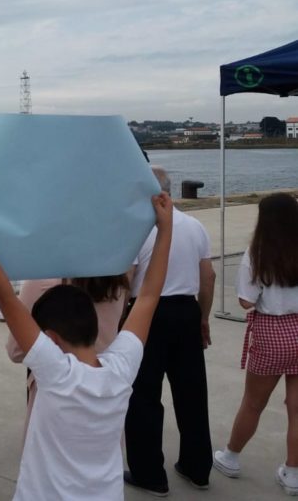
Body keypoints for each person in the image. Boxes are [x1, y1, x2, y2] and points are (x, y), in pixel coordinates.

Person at [0, 188, 173, 499]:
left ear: (51, 339)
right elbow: (150, 295)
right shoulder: (122, 367)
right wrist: (166, 228)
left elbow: (4, 295)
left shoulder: (55, 373)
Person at [124, 166, 216, 494]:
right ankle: (197, 468)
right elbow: (208, 277)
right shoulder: (195, 226)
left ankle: (150, 474)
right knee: (192, 393)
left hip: (149, 313)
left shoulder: (138, 229)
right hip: (187, 311)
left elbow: (126, 280)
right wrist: (202, 317)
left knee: (144, 396)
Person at [213, 193, 298, 494]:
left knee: (253, 402)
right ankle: (293, 473)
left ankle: (231, 457)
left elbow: (246, 301)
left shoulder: (258, 252)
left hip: (273, 331)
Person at [5, 274, 130, 435]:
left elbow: (15, 350)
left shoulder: (43, 282)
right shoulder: (117, 281)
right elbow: (147, 298)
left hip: (55, 397)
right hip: (105, 391)